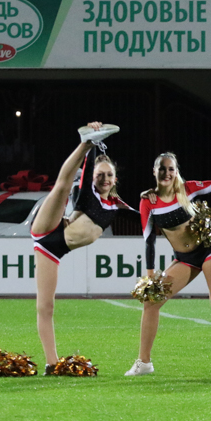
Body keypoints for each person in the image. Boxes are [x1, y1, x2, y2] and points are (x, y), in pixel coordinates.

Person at [32, 122, 130, 370]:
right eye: (100, 175)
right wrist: (90, 143)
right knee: (62, 186)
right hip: (48, 231)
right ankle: (84, 141)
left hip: (53, 250)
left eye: (109, 175)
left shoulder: (115, 205)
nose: (104, 179)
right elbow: (82, 176)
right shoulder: (88, 194)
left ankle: (51, 365)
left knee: (47, 306)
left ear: (116, 179)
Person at [125, 152, 211, 377]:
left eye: (171, 169)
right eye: (162, 169)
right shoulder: (148, 201)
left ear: (176, 171)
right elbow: (149, 239)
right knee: (151, 302)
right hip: (184, 259)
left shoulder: (187, 189)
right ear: (154, 171)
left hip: (210, 249)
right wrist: (151, 274)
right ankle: (144, 362)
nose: (167, 173)